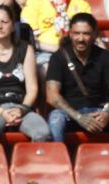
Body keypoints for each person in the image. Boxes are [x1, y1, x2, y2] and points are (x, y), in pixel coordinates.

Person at [0, 5, 51, 142]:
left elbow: (32, 88)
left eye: (4, 22)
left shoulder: (26, 49)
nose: (0, 26)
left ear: (13, 26)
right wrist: (2, 112)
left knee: (43, 133)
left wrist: (21, 110)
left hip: (21, 106)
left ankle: (31, 163)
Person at [44, 12, 109, 142]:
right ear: (70, 34)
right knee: (55, 119)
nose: (80, 38)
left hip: (99, 110)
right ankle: (60, 160)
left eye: (86, 33)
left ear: (95, 34)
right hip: (69, 111)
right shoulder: (58, 57)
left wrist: (107, 114)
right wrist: (79, 117)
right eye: (76, 33)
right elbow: (52, 97)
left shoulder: (105, 57)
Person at [20, 0, 91, 69]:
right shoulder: (34, 3)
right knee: (48, 69)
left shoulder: (81, 4)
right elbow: (29, 39)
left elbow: (90, 33)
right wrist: (56, 48)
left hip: (79, 51)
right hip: (45, 52)